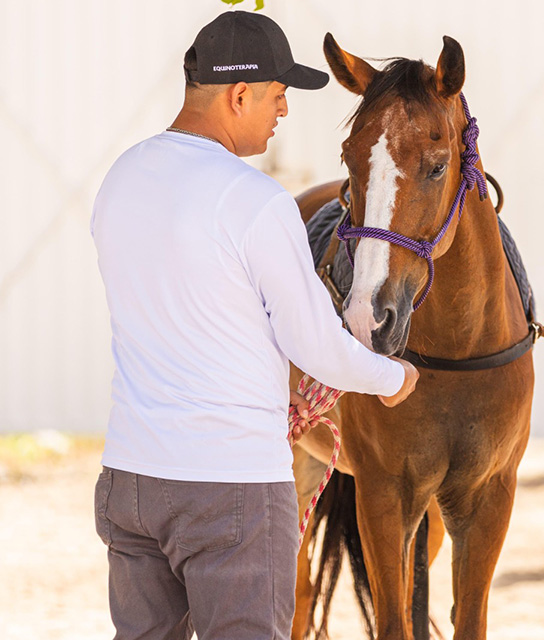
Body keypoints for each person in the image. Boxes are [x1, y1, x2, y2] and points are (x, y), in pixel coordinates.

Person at [90, 11, 418, 639]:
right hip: (229, 486)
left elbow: (182, 308)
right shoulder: (254, 200)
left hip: (131, 478)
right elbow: (317, 346)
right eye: (277, 94)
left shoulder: (120, 178)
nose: (285, 111)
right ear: (239, 94)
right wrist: (389, 375)